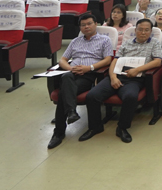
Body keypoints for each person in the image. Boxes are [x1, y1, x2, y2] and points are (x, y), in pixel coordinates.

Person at [81, 19, 162, 144]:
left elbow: (157, 61)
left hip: (135, 78)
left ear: (151, 32)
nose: (143, 32)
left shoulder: (155, 43)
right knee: (92, 96)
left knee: (130, 96)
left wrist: (137, 70)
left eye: (147, 30)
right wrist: (113, 77)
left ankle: (122, 128)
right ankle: (95, 127)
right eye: (140, 29)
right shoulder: (127, 43)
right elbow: (115, 60)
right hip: (118, 74)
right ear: (135, 30)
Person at [47, 13, 113, 149]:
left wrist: (89, 68)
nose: (86, 27)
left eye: (89, 24)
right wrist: (71, 69)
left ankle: (59, 132)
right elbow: (63, 60)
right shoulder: (75, 41)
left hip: (89, 75)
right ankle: (71, 112)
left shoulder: (104, 40)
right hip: (72, 74)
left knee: (62, 94)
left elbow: (108, 59)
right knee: (66, 77)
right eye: (83, 25)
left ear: (96, 24)